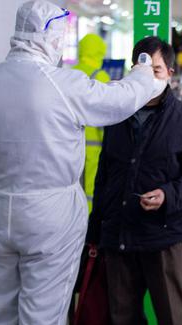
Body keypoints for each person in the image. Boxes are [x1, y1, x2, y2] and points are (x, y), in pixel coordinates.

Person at [0, 1, 160, 325]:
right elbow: (120, 99)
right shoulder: (63, 85)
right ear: (53, 38)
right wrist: (145, 72)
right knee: (43, 315)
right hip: (50, 216)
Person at [86, 36, 182, 325]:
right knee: (122, 318)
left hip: (162, 237)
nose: (148, 77)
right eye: (141, 69)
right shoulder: (117, 115)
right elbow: (105, 175)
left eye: (156, 70)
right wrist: (96, 233)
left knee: (171, 317)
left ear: (170, 73)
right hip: (118, 236)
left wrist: (167, 195)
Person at [72, 33, 111, 212]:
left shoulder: (68, 74)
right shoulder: (100, 76)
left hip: (69, 144)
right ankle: (88, 226)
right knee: (91, 188)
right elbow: (107, 116)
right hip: (94, 147)